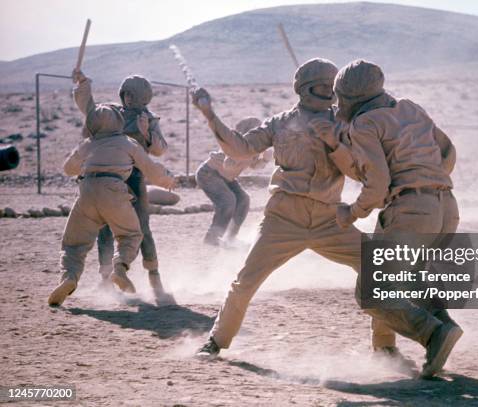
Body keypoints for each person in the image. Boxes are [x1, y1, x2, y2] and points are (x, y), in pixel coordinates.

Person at [192, 58, 408, 360]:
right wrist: (208, 113)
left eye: (332, 87)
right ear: (304, 89)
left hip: (330, 219)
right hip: (283, 217)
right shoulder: (279, 123)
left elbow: (360, 172)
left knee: (378, 268)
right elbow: (240, 148)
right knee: (246, 281)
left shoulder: (344, 125)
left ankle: (385, 347)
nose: (329, 93)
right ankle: (216, 341)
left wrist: (334, 143)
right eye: (321, 86)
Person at [330, 59, 463, 379]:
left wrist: (352, 212)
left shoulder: (364, 125)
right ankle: (443, 327)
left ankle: (433, 335)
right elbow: (449, 153)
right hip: (446, 207)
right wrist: (427, 180)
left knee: (372, 291)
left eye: (339, 99)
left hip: (410, 211)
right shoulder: (409, 108)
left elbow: (376, 186)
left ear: (347, 97)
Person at [48, 104, 175, 306]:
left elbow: (68, 169)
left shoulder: (88, 144)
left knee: (73, 244)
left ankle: (69, 278)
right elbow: (151, 170)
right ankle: (120, 267)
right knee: (131, 235)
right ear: (118, 121)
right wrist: (168, 181)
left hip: (86, 192)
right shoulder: (128, 143)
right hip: (114, 191)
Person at [72, 69, 171, 300]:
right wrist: (82, 85)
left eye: (133, 96)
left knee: (142, 226)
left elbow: (160, 149)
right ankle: (106, 278)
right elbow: (89, 112)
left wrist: (147, 134)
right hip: (111, 176)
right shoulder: (112, 114)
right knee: (105, 226)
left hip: (135, 177)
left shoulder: (149, 119)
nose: (128, 99)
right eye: (125, 94)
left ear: (143, 98)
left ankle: (154, 277)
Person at [194, 117, 271, 246]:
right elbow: (226, 162)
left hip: (226, 178)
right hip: (209, 174)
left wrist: (265, 160)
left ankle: (230, 237)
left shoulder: (255, 147)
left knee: (244, 200)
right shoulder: (234, 144)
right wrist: (231, 158)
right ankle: (213, 238)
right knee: (228, 201)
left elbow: (254, 166)